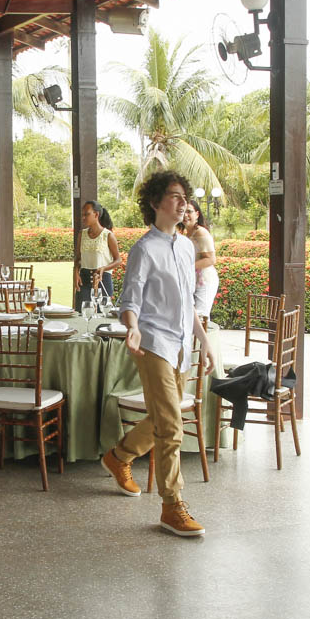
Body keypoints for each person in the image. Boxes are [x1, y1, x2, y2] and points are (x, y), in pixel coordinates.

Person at [100, 171, 216, 537]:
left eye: (185, 197)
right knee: (171, 426)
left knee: (163, 418)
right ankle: (172, 505)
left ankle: (118, 456)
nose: (184, 203)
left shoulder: (185, 246)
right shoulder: (143, 249)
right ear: (155, 203)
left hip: (182, 344)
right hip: (152, 344)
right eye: (175, 196)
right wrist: (131, 326)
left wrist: (204, 341)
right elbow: (129, 299)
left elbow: (188, 305)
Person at [73, 200, 121, 311]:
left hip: (102, 280)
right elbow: (78, 258)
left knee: (102, 318)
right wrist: (76, 272)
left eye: (87, 214)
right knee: (82, 315)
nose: (83, 217)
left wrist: (104, 268)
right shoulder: (82, 234)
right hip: (83, 280)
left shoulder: (108, 235)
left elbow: (118, 260)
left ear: (96, 214)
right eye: (82, 214)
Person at [183, 199, 219, 317]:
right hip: (193, 280)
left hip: (205, 281)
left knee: (201, 317)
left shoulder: (200, 232)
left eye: (189, 211)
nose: (185, 215)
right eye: (182, 211)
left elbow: (211, 259)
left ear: (197, 214)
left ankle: (202, 336)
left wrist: (187, 267)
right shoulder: (186, 233)